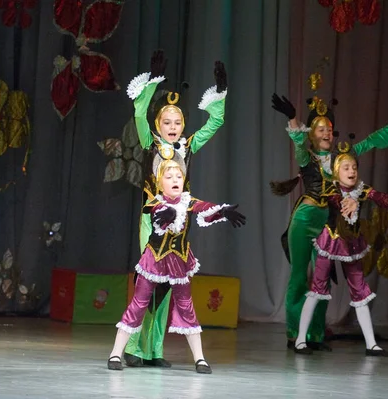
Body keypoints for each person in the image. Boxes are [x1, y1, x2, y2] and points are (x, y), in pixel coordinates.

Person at [270, 93, 388, 350]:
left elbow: (366, 144)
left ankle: (316, 335)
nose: (326, 134)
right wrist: (293, 118)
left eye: (330, 130)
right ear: (312, 133)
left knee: (321, 279)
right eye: (321, 129)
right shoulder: (307, 158)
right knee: (300, 276)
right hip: (305, 218)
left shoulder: (340, 160)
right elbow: (298, 144)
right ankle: (294, 333)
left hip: (328, 223)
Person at [123, 50, 228, 367]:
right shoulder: (149, 144)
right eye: (166, 121)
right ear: (158, 124)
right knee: (150, 281)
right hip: (152, 224)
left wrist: (220, 91)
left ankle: (153, 351)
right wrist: (153, 82)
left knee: (167, 287)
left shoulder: (189, 146)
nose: (173, 126)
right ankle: (132, 348)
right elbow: (139, 114)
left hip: (180, 228)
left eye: (178, 121)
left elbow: (217, 121)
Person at [107, 160, 246, 373]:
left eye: (178, 177)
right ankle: (115, 353)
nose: (175, 180)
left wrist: (222, 211)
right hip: (154, 261)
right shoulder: (154, 203)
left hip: (179, 262)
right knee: (138, 304)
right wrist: (169, 214)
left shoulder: (188, 201)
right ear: (159, 182)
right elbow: (159, 214)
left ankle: (200, 359)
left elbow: (203, 207)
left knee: (186, 306)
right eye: (169, 177)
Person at [294, 135, 388, 356]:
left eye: (354, 167)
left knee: (359, 289)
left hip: (351, 244)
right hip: (331, 240)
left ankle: (371, 344)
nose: (351, 171)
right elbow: (337, 201)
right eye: (346, 167)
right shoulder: (331, 189)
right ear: (336, 171)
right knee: (317, 288)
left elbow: (380, 197)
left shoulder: (361, 189)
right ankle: (300, 340)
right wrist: (350, 201)